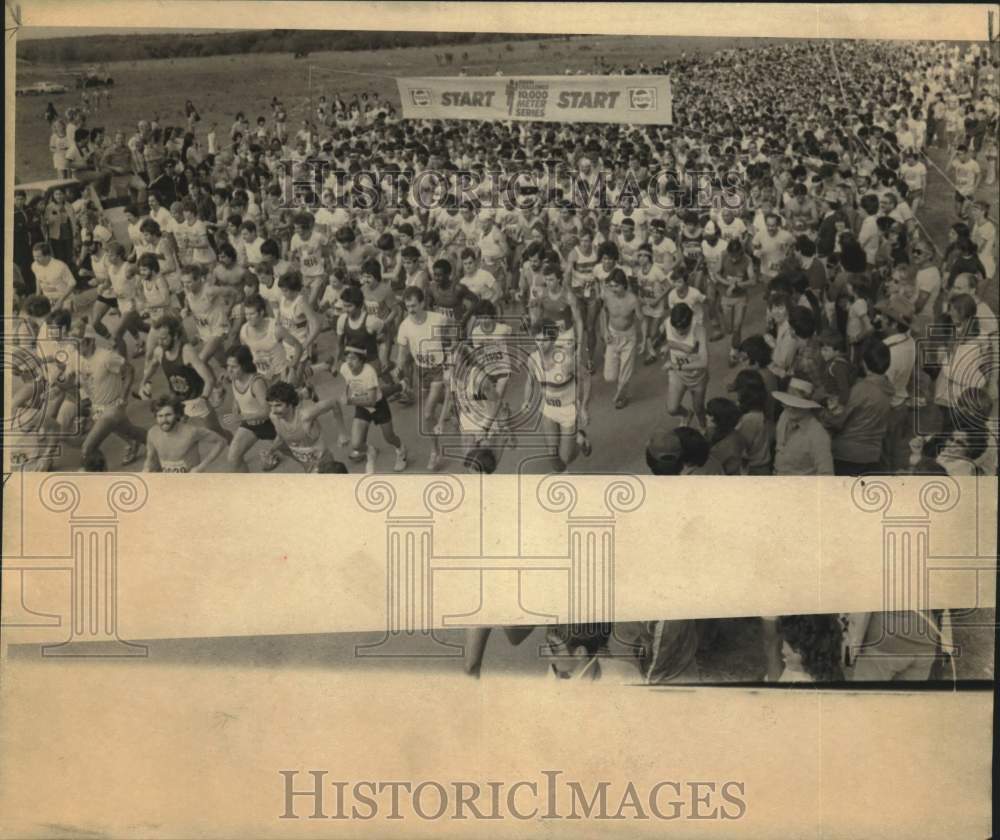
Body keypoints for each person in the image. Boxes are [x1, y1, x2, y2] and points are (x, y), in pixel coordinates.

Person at [140, 314, 230, 442]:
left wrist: (203, 399)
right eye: (158, 339)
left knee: (217, 434)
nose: (160, 342)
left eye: (164, 339)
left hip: (197, 399)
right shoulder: (160, 351)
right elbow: (153, 365)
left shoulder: (187, 352)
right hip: (177, 401)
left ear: (175, 336)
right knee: (175, 437)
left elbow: (209, 379)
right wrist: (143, 382)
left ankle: (232, 442)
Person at [393, 287, 453, 471]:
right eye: (407, 306)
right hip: (421, 372)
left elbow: (454, 329)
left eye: (413, 305)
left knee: (427, 414)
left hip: (438, 370)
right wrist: (399, 368)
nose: (410, 309)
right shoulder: (404, 326)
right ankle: (456, 402)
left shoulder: (438, 319)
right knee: (439, 401)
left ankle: (435, 452)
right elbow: (402, 353)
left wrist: (451, 357)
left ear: (422, 303)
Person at [522, 318, 592, 472]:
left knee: (566, 457)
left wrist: (584, 407)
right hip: (548, 409)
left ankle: (580, 441)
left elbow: (586, 378)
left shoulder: (565, 360)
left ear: (553, 340)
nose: (540, 344)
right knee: (553, 455)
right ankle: (563, 475)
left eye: (545, 340)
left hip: (568, 409)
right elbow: (529, 381)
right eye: (537, 340)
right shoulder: (533, 359)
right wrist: (526, 401)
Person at [819, 339, 894, 476]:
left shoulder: (862, 389)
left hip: (848, 455)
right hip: (873, 455)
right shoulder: (888, 388)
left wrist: (823, 412)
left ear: (864, 363)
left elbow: (837, 420)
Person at [339, 345, 408, 474]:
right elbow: (348, 382)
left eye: (353, 359)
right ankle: (371, 452)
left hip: (378, 406)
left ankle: (401, 450)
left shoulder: (369, 372)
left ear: (361, 360)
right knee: (356, 444)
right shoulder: (344, 368)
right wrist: (346, 393)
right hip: (361, 407)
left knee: (390, 437)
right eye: (347, 358)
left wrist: (349, 400)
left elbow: (371, 400)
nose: (349, 362)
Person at [263, 381, 348, 473]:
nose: (273, 410)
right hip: (307, 465)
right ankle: (306, 392)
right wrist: (270, 451)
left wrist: (342, 433)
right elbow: (281, 437)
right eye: (271, 406)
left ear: (290, 404)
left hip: (325, 463)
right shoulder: (274, 417)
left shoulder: (306, 416)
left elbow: (333, 403)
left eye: (278, 405)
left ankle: (305, 392)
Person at [224, 344, 278, 472]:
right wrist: (235, 408)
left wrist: (240, 417)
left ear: (244, 365)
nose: (229, 370)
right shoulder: (234, 379)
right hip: (250, 425)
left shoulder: (256, 382)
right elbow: (238, 399)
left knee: (298, 454)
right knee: (233, 457)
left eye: (234, 367)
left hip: (270, 424)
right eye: (228, 366)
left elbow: (266, 411)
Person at [144, 395, 226, 473]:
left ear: (176, 415)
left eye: (168, 415)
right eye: (160, 416)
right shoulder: (152, 433)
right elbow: (150, 457)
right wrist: (146, 468)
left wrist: (201, 467)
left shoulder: (191, 432)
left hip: (192, 481)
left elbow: (221, 441)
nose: (164, 420)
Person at [600, 268, 643, 409]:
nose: (613, 289)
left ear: (624, 285)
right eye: (611, 286)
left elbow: (642, 320)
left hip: (628, 338)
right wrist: (605, 330)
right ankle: (620, 387)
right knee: (609, 377)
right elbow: (603, 312)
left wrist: (644, 341)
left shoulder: (632, 300)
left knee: (625, 376)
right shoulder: (607, 295)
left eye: (616, 286)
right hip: (612, 335)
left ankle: (622, 397)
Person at [662, 303, 709, 431]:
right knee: (672, 409)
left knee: (699, 408)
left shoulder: (699, 330)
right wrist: (667, 347)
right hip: (677, 375)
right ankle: (687, 414)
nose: (680, 331)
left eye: (684, 329)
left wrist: (676, 365)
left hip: (697, 376)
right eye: (676, 328)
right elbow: (669, 340)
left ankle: (703, 428)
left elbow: (704, 363)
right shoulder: (667, 323)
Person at [772, 378, 834, 476]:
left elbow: (826, 475)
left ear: (808, 406)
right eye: (788, 402)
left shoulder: (818, 435)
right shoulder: (784, 416)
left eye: (797, 404)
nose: (790, 407)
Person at [31, 242, 76, 313]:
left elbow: (72, 283)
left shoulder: (60, 266)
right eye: (34, 256)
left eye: (39, 257)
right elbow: (38, 279)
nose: (36, 259)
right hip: (48, 300)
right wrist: (38, 296)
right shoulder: (34, 265)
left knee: (58, 320)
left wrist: (61, 300)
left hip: (64, 298)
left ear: (47, 256)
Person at [705, 397, 746, 475]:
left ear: (716, 418)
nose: (705, 416)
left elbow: (708, 464)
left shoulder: (730, 442)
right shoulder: (716, 431)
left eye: (708, 413)